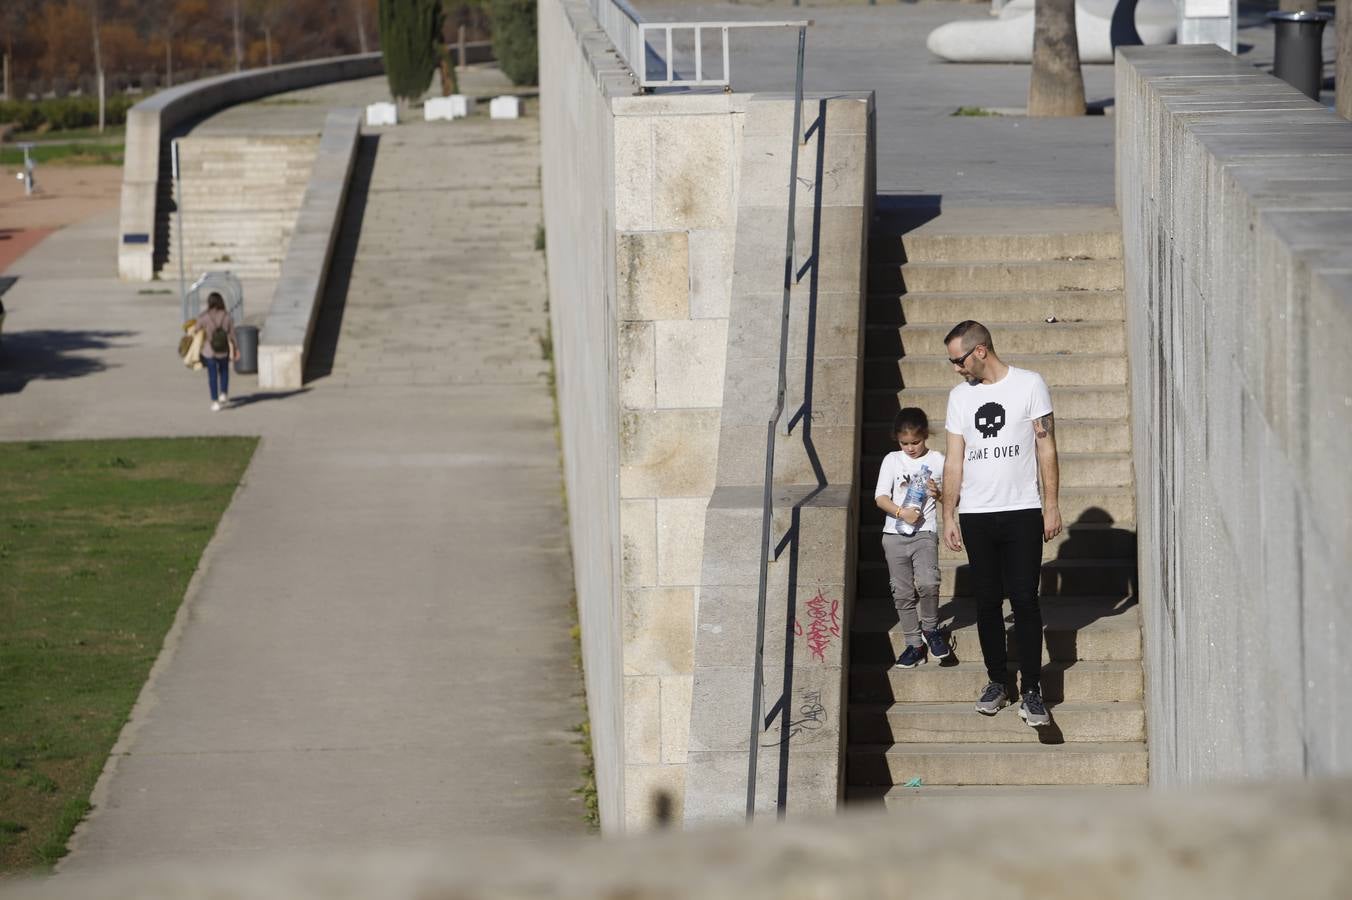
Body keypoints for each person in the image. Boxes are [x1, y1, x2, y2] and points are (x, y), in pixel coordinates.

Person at [940, 320, 1061, 728]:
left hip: (1023, 510)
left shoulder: (1029, 384)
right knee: (988, 603)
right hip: (976, 514)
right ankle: (997, 682)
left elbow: (1046, 447)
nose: (955, 368)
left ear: (979, 351)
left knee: (1025, 600)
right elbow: (954, 459)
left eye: (958, 360)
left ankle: (1031, 689)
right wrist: (949, 514)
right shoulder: (959, 398)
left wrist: (1052, 505)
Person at [875, 407, 949, 668]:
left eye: (915, 442)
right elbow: (880, 497)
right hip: (894, 534)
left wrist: (937, 493)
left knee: (929, 582)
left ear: (926, 436)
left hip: (924, 532)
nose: (910, 448)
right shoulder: (892, 460)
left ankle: (931, 628)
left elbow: (953, 497)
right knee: (902, 592)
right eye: (904, 443)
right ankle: (914, 643)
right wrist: (900, 512)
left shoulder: (938, 460)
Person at [197, 293, 239, 411]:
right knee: (224, 371)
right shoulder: (227, 316)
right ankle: (223, 393)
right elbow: (232, 334)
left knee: (212, 375)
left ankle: (215, 401)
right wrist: (236, 348)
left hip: (209, 350)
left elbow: (196, 329)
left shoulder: (204, 317)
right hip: (224, 349)